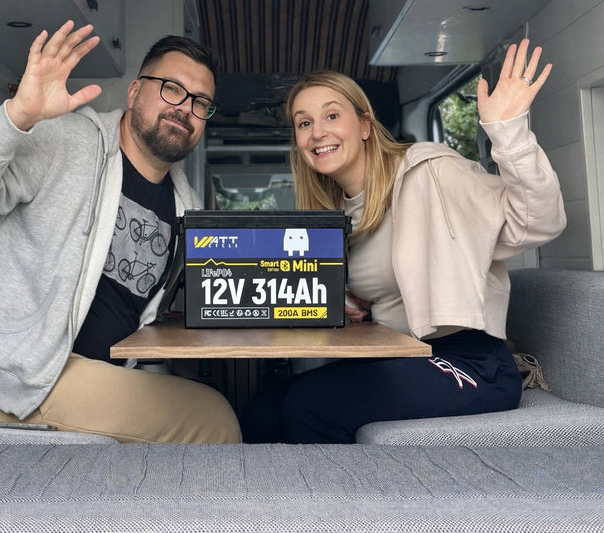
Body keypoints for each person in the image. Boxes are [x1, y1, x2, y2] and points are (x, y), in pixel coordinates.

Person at [0, 21, 241, 444]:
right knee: (215, 420)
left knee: (201, 394)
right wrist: (16, 116)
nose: (185, 108)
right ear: (134, 92)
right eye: (172, 89)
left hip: (88, 379)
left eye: (201, 102)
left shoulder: (185, 203)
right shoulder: (64, 141)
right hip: (1, 383)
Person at [240, 39, 566, 444]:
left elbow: (539, 222)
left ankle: (341, 490)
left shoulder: (429, 172)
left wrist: (508, 132)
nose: (317, 132)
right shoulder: (334, 215)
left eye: (332, 115)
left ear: (364, 125)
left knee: (309, 405)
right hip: (398, 353)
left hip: (471, 362)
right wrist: (345, 301)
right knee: (260, 411)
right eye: (304, 123)